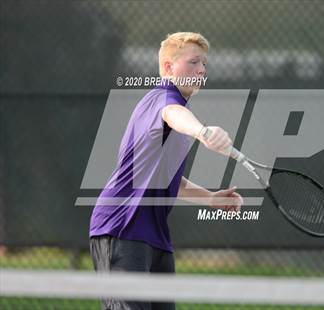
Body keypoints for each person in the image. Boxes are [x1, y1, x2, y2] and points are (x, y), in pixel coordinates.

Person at [89, 32, 243, 310]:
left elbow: (169, 177)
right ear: (169, 68)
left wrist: (210, 199)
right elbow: (171, 112)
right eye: (194, 62)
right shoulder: (160, 98)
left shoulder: (177, 112)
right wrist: (203, 132)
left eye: (205, 64)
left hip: (156, 236)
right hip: (123, 226)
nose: (202, 69)